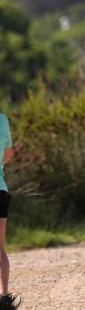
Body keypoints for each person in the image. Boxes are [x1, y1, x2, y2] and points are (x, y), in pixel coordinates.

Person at [0, 112, 12, 299]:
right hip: (1, 190)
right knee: (0, 247)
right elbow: (9, 152)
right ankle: (5, 295)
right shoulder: (2, 119)